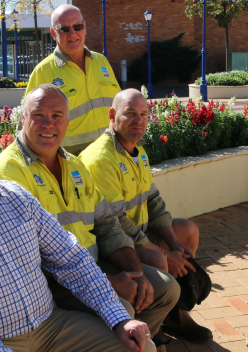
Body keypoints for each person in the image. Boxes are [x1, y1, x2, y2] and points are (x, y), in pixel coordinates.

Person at [0, 110, 156, 352]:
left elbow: (71, 258)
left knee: (139, 347)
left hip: (53, 327)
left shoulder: (16, 197)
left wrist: (120, 318)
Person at [0, 84, 179, 347]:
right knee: (123, 306)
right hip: (55, 283)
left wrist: (134, 271)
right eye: (38, 115)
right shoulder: (8, 173)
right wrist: (108, 283)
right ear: (23, 119)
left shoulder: (73, 164)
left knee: (165, 289)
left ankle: (137, 342)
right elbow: (29, 259)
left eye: (57, 116)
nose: (48, 124)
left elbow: (107, 224)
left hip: (94, 263)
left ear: (67, 122)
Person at [79, 89, 213, 344]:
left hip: (139, 232)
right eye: (130, 113)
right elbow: (116, 222)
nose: (138, 119)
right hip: (115, 242)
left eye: (143, 114)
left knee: (187, 231)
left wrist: (175, 244)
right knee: (157, 260)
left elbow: (153, 201)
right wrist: (164, 254)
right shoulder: (100, 159)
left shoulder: (138, 152)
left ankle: (176, 314)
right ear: (112, 115)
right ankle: (153, 327)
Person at [24, 4, 120, 155]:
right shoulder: (43, 72)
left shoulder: (101, 61)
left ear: (85, 27)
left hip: (111, 156)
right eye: (64, 29)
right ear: (53, 33)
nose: (72, 33)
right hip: (73, 162)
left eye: (78, 26)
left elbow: (119, 106)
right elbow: (26, 125)